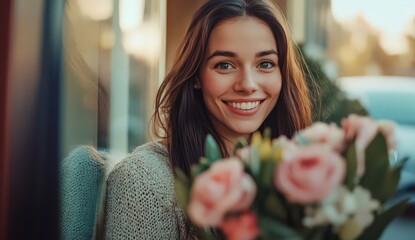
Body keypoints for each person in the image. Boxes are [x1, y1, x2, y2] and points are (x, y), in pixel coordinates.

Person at [105, 0, 313, 239]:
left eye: (265, 64)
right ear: (196, 77)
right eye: (224, 65)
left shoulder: (298, 175)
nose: (247, 85)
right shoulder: (144, 181)